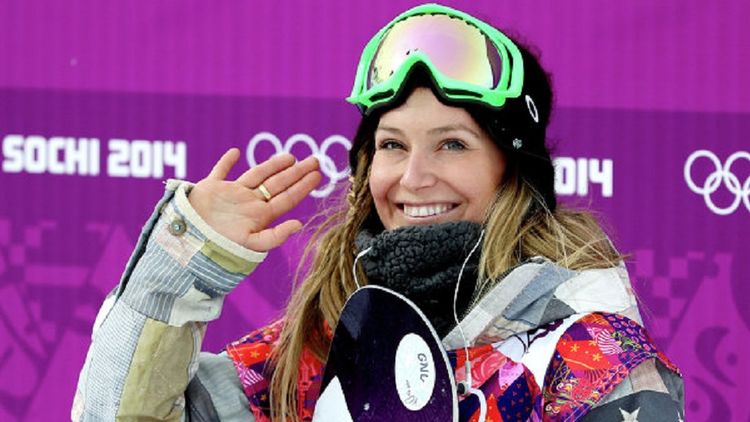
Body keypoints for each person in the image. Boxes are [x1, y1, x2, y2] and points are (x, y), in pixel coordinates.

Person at [72, 4, 684, 421]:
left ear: (512, 172)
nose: (413, 178)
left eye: (452, 144)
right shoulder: (312, 352)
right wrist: (182, 262)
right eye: (392, 146)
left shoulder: (588, 356)